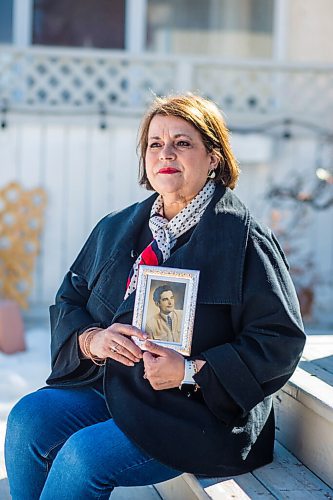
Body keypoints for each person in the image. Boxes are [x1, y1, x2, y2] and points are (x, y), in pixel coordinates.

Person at [5, 93, 306, 500]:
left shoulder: (246, 240)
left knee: (82, 456)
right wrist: (93, 339)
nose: (166, 153)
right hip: (117, 390)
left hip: (197, 413)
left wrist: (190, 370)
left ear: (213, 157)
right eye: (155, 143)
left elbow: (280, 340)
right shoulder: (115, 228)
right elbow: (69, 299)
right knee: (28, 419)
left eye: (182, 143)